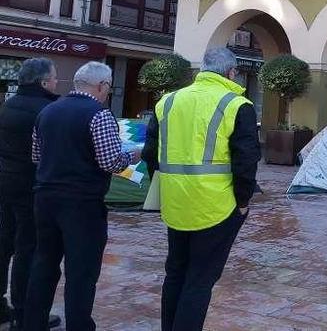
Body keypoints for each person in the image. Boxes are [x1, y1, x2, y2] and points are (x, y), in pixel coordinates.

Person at [143, 47, 260, 331]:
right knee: (199, 280)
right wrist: (242, 202)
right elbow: (246, 161)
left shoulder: (167, 102)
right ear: (232, 72)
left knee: (175, 273)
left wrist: (167, 188)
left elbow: (150, 153)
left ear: (202, 68)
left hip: (175, 205)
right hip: (216, 207)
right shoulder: (237, 104)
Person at [25, 62, 141, 331]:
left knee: (44, 263)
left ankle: (33, 323)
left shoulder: (48, 111)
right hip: (82, 204)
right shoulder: (99, 114)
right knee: (81, 271)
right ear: (101, 86)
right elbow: (110, 161)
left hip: (45, 199)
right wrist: (132, 156)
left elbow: (35, 156)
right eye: (108, 88)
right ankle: (79, 325)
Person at [0, 59, 61, 330]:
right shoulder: (47, 110)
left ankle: (2, 306)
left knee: (4, 243)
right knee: (28, 247)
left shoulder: (7, 106)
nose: (57, 82)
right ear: (43, 81)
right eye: (55, 78)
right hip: (32, 186)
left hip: (5, 182)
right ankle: (23, 311)